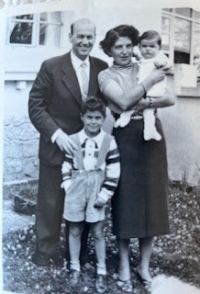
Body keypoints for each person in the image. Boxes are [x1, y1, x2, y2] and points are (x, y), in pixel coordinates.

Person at [98, 25, 175, 293]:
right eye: (118, 47)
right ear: (109, 50)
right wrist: (150, 82)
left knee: (153, 200)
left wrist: (146, 102)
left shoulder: (145, 62)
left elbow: (171, 98)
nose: (124, 51)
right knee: (125, 200)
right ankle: (122, 264)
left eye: (128, 46)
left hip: (152, 137)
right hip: (125, 139)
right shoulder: (105, 75)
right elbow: (121, 102)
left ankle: (143, 265)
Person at [28, 18, 108, 267]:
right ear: (70, 37)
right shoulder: (51, 67)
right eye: (80, 36)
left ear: (95, 38)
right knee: (50, 204)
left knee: (82, 204)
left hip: (88, 155)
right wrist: (57, 135)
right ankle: (44, 256)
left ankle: (78, 257)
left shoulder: (101, 67)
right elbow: (36, 106)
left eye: (90, 37)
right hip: (56, 148)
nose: (85, 41)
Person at [61, 96, 120, 292]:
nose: (93, 122)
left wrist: (105, 194)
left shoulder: (109, 142)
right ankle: (74, 267)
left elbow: (113, 171)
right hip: (76, 187)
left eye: (97, 118)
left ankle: (101, 270)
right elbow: (67, 164)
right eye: (89, 117)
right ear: (82, 117)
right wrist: (68, 184)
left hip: (97, 188)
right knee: (75, 229)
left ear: (103, 119)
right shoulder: (73, 139)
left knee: (97, 231)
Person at [114, 30, 173, 141]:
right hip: (144, 89)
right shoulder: (143, 59)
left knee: (148, 111)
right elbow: (136, 54)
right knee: (144, 110)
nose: (147, 49)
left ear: (159, 48)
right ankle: (144, 128)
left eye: (152, 46)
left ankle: (149, 130)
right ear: (140, 47)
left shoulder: (159, 58)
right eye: (144, 46)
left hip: (155, 90)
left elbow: (169, 64)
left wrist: (162, 64)